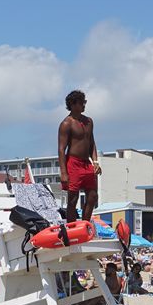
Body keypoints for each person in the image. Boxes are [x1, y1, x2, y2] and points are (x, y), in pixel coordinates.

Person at [56, 88, 99, 221]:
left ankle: (85, 225)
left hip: (87, 163)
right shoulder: (66, 124)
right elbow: (61, 149)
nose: (84, 105)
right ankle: (71, 228)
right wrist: (63, 173)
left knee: (92, 196)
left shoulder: (89, 121)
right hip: (73, 163)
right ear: (73, 104)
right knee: (73, 199)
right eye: (81, 103)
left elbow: (92, 142)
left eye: (84, 102)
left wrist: (95, 162)